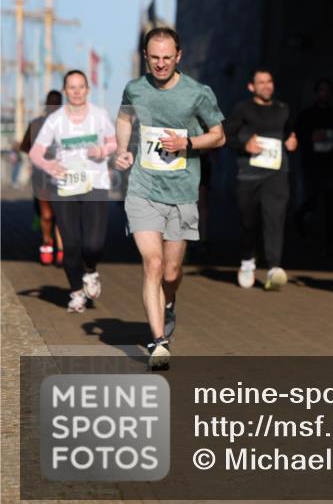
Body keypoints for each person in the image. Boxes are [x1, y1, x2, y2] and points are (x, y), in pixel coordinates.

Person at [114, 27, 225, 369]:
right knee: (154, 263)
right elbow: (123, 118)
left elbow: (219, 136)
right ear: (146, 57)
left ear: (179, 57)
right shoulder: (135, 88)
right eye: (154, 58)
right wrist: (122, 149)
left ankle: (170, 300)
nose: (160, 65)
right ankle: (159, 341)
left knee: (172, 272)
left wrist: (188, 144)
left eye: (167, 58)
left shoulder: (197, 93)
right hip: (143, 190)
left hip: (181, 193)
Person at [28, 71, 116, 312]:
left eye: (81, 86)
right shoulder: (55, 120)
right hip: (65, 187)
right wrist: (49, 165)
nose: (76, 91)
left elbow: (113, 142)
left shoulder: (100, 115)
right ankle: (76, 292)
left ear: (88, 89)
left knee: (94, 244)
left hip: (95, 184)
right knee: (72, 244)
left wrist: (101, 151)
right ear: (65, 90)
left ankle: (91, 271)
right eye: (71, 87)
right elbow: (35, 152)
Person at [225, 67, 297, 290]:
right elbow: (226, 135)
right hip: (249, 175)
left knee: (274, 218)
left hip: (277, 173)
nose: (266, 85)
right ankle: (247, 261)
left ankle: (274, 267)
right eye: (261, 82)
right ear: (251, 87)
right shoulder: (243, 109)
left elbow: (290, 134)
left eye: (269, 81)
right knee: (249, 221)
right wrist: (245, 146)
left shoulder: (283, 109)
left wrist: (292, 142)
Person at [293, 78, 333, 252]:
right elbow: (296, 136)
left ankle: (329, 241)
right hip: (311, 164)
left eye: (328, 90)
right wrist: (310, 138)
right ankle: (298, 218)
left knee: (330, 203)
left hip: (330, 165)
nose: (325, 94)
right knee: (313, 199)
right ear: (316, 93)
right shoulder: (307, 115)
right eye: (321, 90)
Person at [21, 90, 65, 266]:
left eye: (56, 103)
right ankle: (47, 242)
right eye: (51, 103)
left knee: (61, 215)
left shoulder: (67, 125)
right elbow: (25, 146)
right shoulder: (36, 124)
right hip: (42, 177)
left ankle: (61, 249)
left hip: (63, 175)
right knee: (46, 215)